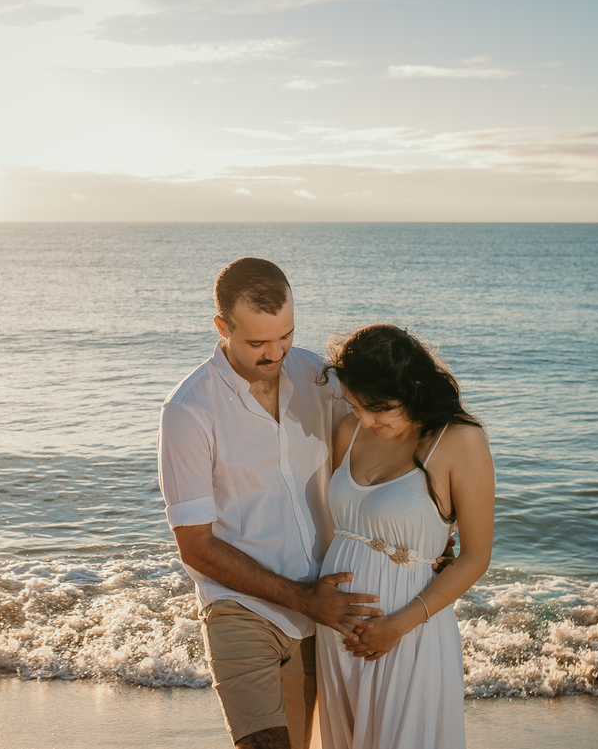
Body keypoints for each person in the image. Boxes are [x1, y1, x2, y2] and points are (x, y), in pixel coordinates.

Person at [157, 257, 387, 749]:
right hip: (241, 610)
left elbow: (383, 445)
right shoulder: (189, 410)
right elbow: (196, 547)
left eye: (285, 336)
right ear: (222, 327)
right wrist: (303, 598)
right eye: (257, 342)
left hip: (321, 612)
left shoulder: (321, 378)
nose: (275, 352)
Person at [314, 324, 495, 749]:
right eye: (357, 406)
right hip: (335, 631)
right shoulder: (349, 431)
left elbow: (475, 556)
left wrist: (396, 626)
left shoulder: (459, 441)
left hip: (407, 633)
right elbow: (342, 525)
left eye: (378, 408)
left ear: (412, 388)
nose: (367, 419)